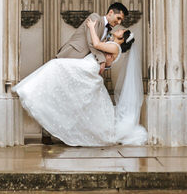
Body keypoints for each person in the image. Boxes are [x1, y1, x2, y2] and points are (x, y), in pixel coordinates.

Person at [14, 8, 147, 146]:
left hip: (87, 67)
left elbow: (95, 44)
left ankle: (28, 90)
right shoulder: (98, 21)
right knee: (61, 84)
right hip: (82, 61)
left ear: (122, 38)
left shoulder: (114, 47)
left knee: (55, 67)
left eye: (121, 29)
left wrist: (91, 29)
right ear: (111, 12)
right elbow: (96, 48)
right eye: (119, 19)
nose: (119, 25)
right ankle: (36, 103)